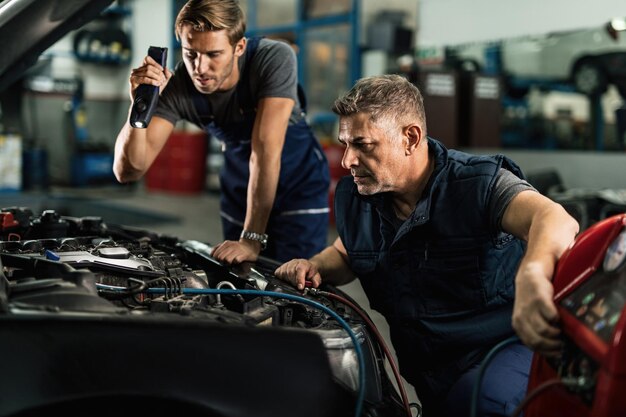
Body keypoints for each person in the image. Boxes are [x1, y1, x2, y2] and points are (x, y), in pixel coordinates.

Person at [274, 74, 579, 417]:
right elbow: (347, 252)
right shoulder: (360, 197)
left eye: (363, 144)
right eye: (345, 144)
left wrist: (533, 276)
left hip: (502, 354)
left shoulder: (476, 184)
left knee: (484, 401)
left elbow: (554, 219)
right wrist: (315, 265)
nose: (347, 160)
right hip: (430, 373)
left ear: (410, 137)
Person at [113, 0, 330, 263]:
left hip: (297, 181)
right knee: (239, 276)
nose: (200, 69)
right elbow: (128, 171)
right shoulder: (178, 85)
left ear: (239, 47)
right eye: (190, 53)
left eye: (213, 54)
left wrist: (251, 239)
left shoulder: (273, 58)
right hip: (240, 180)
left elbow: (265, 150)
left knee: (296, 276)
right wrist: (139, 106)